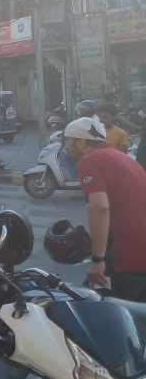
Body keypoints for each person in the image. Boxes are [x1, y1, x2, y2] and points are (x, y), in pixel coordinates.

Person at [64, 116, 146, 300]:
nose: (66, 146)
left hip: (126, 254)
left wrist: (98, 260)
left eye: (67, 140)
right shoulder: (120, 156)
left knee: (90, 305)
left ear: (81, 142)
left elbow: (100, 207)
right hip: (138, 250)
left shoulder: (90, 160)